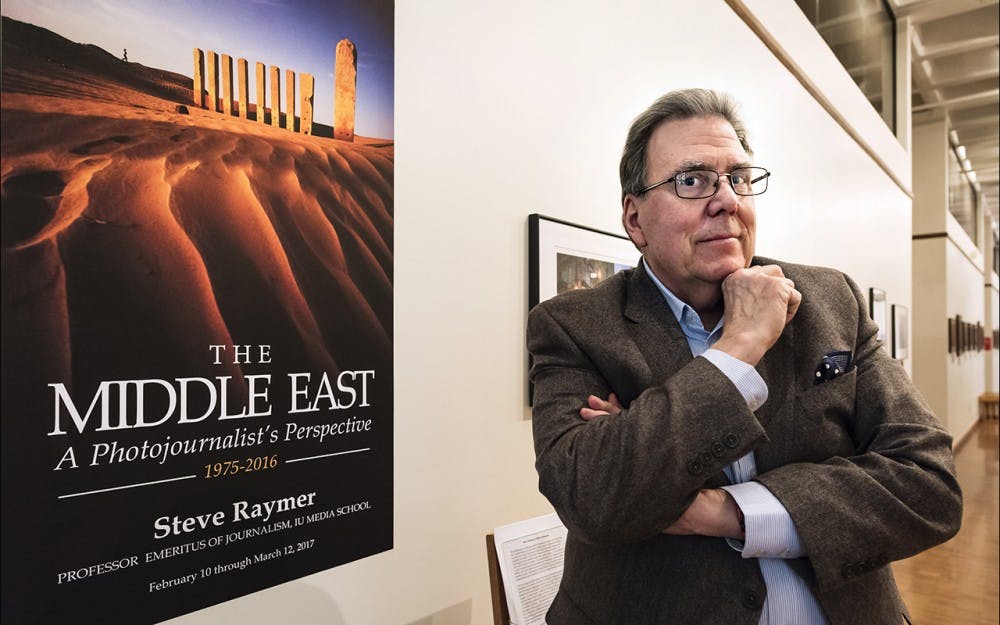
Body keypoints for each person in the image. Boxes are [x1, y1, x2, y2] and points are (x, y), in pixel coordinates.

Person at [527, 88, 962, 625]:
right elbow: (592, 496)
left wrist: (729, 511)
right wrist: (739, 348)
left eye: (738, 178)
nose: (727, 200)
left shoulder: (832, 300)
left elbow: (930, 485)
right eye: (692, 180)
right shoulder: (572, 326)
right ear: (634, 219)